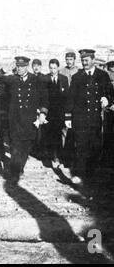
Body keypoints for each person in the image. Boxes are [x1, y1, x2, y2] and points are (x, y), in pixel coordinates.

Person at [0, 56, 49, 182]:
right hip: (15, 119)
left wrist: (43, 112)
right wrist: (3, 69)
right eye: (18, 66)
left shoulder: (35, 79)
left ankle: (20, 167)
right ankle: (15, 172)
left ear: (27, 67)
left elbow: (44, 97)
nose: (20, 69)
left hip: (29, 119)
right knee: (15, 146)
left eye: (22, 66)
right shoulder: (12, 79)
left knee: (26, 146)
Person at [65, 49, 114, 184]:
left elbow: (110, 93)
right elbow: (71, 99)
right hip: (80, 119)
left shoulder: (102, 76)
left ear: (93, 60)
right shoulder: (77, 77)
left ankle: (90, 175)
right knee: (80, 146)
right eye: (82, 60)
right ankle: (79, 175)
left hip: (95, 119)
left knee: (94, 147)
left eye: (86, 60)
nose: (84, 63)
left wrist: (107, 100)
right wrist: (68, 117)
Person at [42, 59, 69, 168]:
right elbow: (43, 96)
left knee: (60, 134)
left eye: (54, 68)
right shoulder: (45, 79)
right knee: (50, 134)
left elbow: (66, 96)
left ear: (58, 68)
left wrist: (67, 113)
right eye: (51, 68)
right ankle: (52, 156)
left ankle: (60, 156)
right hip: (49, 112)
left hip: (60, 112)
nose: (52, 70)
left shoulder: (64, 79)